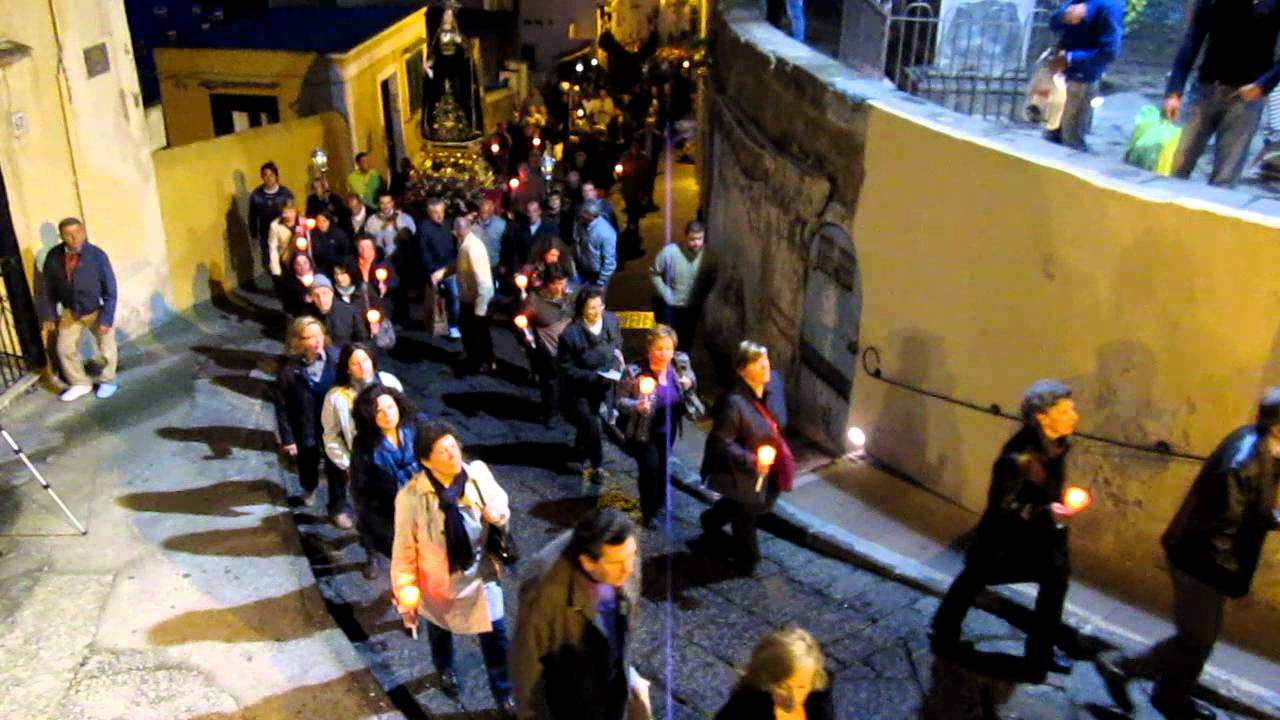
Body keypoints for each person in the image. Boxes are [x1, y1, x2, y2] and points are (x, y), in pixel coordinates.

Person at [1096, 389, 1280, 720]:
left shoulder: (1264, 446)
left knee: (1201, 638)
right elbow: (1220, 526)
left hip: (1207, 558)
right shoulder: (1243, 462)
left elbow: (1251, 509)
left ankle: (1171, 694)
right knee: (1196, 638)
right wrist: (1228, 574)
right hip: (1200, 560)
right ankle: (1121, 667)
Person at [930, 379, 1079, 677]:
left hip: (1040, 537)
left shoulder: (1057, 445)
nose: (1074, 415)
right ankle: (944, 635)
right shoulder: (1017, 458)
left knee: (1055, 581)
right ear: (1042, 416)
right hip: (1004, 540)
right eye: (1065, 410)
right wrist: (1046, 511)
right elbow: (1003, 504)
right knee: (974, 578)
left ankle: (1040, 654)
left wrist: (1054, 507)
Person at [391, 420, 516, 717]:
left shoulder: (477, 474)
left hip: (480, 574)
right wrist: (404, 596)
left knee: (496, 636)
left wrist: (498, 514)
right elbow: (404, 550)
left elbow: (500, 500)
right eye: (442, 451)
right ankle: (445, 668)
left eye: (453, 446)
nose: (452, 454)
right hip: (439, 582)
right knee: (440, 630)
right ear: (425, 460)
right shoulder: (411, 496)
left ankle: (504, 693)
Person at [510, 508, 650, 720]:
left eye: (632, 556)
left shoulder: (622, 550)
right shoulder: (545, 595)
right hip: (573, 695)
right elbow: (526, 669)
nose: (628, 569)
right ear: (587, 562)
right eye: (617, 563)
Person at [1162, 0, 1280, 187]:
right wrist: (1174, 92)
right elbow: (1192, 41)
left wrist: (1263, 85)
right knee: (1178, 163)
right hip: (1205, 90)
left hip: (1245, 99)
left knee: (1225, 176)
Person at [698, 341, 790, 575]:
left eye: (766, 360)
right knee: (747, 512)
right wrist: (752, 460)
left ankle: (713, 518)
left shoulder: (775, 383)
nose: (765, 367)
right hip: (743, 471)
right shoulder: (733, 404)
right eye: (757, 363)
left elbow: (779, 419)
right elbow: (722, 443)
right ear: (741, 371)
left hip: (771, 464)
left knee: (763, 503)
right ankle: (747, 558)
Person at [617, 325, 698, 527]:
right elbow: (620, 402)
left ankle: (659, 501)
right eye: (659, 348)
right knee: (650, 469)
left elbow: (692, 382)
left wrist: (689, 384)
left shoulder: (680, 364)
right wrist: (637, 405)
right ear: (649, 348)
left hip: (667, 429)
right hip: (643, 431)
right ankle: (647, 511)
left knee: (663, 467)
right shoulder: (634, 372)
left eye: (668, 349)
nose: (664, 354)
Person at [320, 343, 402, 535]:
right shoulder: (336, 397)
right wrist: (348, 463)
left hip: (392, 457)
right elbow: (331, 435)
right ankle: (371, 551)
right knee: (368, 511)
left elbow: (405, 418)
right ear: (347, 368)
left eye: (365, 360)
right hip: (363, 463)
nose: (363, 366)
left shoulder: (389, 383)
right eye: (355, 363)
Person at [275, 316, 348, 526]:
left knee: (337, 467)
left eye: (318, 335)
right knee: (308, 462)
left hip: (333, 425)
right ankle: (309, 486)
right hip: (305, 425)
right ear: (298, 341)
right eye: (309, 337)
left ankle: (338, 508)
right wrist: (288, 438)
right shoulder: (289, 370)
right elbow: (282, 406)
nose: (316, 341)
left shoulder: (337, 359)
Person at [37, 217, 119, 402]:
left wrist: (106, 318)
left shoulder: (97, 255)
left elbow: (110, 288)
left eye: (77, 232)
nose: (74, 238)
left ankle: (107, 380)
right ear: (61, 236)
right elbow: (46, 288)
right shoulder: (54, 257)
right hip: (70, 311)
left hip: (95, 309)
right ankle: (80, 383)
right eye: (68, 234)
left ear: (83, 231)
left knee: (106, 347)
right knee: (64, 349)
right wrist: (48, 314)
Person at [351, 385, 419, 578]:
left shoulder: (414, 428)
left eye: (390, 407)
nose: (387, 414)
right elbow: (360, 485)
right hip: (386, 507)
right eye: (378, 411)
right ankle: (371, 554)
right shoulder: (365, 445)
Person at [557, 287, 624, 483]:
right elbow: (565, 368)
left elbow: (618, 344)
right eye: (591, 308)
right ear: (582, 309)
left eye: (600, 307)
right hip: (581, 389)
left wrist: (614, 367)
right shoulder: (570, 335)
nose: (597, 312)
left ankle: (580, 449)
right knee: (592, 423)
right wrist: (594, 377)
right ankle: (597, 465)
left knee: (589, 423)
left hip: (606, 384)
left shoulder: (612, 321)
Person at [1044, 0, 1124, 150]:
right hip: (1060, 78)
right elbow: (1053, 23)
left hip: (1082, 80)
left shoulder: (1110, 5)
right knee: (1051, 133)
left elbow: (1110, 52)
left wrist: (1070, 58)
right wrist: (1064, 16)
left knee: (1072, 139)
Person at [715, 627, 834, 720]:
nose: (793, 698)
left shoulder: (818, 701)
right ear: (766, 680)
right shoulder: (743, 709)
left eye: (801, 687)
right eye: (782, 687)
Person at [523, 266, 575, 425]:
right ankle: (551, 413)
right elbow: (523, 324)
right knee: (550, 382)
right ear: (547, 284)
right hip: (548, 350)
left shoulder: (570, 296)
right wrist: (530, 342)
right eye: (556, 284)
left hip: (569, 348)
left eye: (563, 282)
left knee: (569, 380)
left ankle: (567, 409)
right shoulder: (534, 300)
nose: (560, 287)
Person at [651, 220, 710, 351]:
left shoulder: (709, 257)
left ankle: (681, 364)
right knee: (666, 340)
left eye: (700, 239)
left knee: (686, 340)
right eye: (692, 239)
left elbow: (712, 278)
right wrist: (666, 293)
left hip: (691, 308)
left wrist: (702, 295)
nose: (696, 243)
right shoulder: (670, 253)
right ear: (685, 236)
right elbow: (654, 272)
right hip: (669, 307)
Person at [450, 215, 496, 374]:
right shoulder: (464, 244)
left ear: (457, 231)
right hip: (468, 297)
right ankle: (473, 356)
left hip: (477, 300)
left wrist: (480, 309)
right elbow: (459, 265)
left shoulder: (473, 248)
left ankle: (486, 361)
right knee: (468, 329)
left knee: (481, 333)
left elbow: (484, 283)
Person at [418, 197, 461, 338]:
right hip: (438, 270)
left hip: (454, 266)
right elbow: (424, 255)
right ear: (429, 213)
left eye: (442, 211)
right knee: (455, 295)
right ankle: (454, 324)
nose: (440, 215)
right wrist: (436, 271)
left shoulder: (448, 224)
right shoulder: (424, 229)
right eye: (435, 212)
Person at [248, 161, 294, 272]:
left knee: (289, 262)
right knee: (271, 264)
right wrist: (254, 236)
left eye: (271, 175)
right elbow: (252, 217)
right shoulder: (256, 195)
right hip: (266, 235)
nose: (269, 178)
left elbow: (293, 213)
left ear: (276, 176)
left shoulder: (285, 194)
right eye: (265, 175)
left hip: (285, 234)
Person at [306, 274, 369, 347]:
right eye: (316, 295)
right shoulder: (308, 316)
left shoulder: (349, 310)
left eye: (325, 293)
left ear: (332, 293)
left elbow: (362, 338)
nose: (321, 299)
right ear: (312, 298)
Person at [574, 200, 618, 290]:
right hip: (582, 269)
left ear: (591, 216)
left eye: (584, 212)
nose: (580, 214)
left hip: (597, 275)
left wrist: (600, 282)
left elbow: (609, 262)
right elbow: (577, 240)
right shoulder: (581, 223)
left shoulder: (606, 233)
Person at [507, 199, 558, 275]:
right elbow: (516, 251)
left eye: (534, 211)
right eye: (529, 212)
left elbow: (554, 249)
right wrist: (517, 270)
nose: (531, 214)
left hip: (545, 269)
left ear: (539, 211)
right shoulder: (520, 229)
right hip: (524, 270)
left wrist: (536, 266)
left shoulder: (550, 227)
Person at [354, 233, 398, 322]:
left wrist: (386, 285)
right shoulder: (352, 263)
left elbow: (395, 280)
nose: (364, 250)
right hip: (360, 302)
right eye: (361, 247)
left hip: (379, 302)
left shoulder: (383, 262)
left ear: (373, 247)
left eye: (367, 246)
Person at [364, 190, 417, 261]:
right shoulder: (371, 220)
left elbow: (412, 241)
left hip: (402, 259)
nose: (385, 206)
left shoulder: (405, 218)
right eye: (382, 203)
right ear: (378, 204)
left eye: (388, 203)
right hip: (380, 260)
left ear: (392, 203)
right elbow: (368, 241)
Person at [267, 201, 302, 284]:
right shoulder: (275, 225)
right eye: (284, 212)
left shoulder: (303, 222)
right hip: (286, 260)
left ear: (295, 211)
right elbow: (273, 247)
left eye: (289, 212)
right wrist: (275, 268)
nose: (285, 215)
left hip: (302, 259)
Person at [309, 212, 351, 278]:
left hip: (338, 268)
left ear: (329, 221)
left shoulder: (339, 234)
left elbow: (346, 251)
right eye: (319, 221)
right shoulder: (313, 235)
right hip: (321, 269)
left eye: (324, 221)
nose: (321, 224)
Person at [476, 197, 509, 278]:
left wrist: (503, 264)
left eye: (487, 212)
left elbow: (506, 247)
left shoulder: (501, 225)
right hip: (479, 265)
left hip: (495, 264)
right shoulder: (474, 223)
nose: (484, 215)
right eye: (482, 212)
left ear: (492, 212)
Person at [281, 253, 317, 319]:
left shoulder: (318, 275)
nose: (302, 267)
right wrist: (302, 299)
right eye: (298, 264)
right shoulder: (288, 283)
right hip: (300, 314)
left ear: (310, 263)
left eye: (305, 263)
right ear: (293, 266)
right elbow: (287, 304)